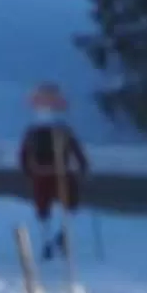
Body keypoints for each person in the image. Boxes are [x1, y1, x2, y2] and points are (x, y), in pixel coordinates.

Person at [17, 84, 89, 262]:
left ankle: (50, 240)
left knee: (45, 208)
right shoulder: (61, 129)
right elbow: (75, 148)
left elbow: (24, 154)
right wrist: (83, 166)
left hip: (43, 174)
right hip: (61, 172)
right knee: (68, 205)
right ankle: (59, 237)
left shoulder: (34, 131)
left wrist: (28, 170)